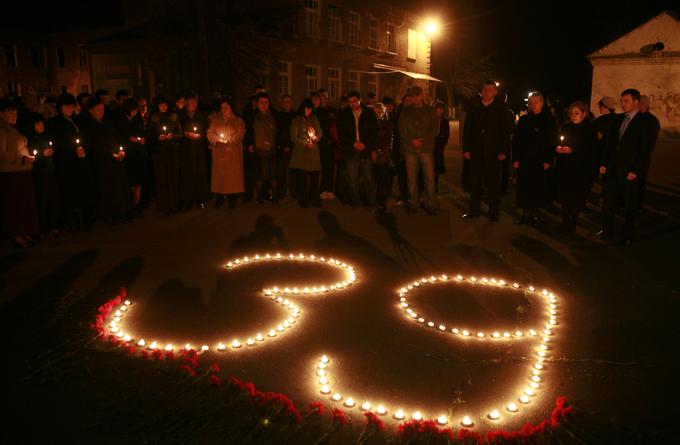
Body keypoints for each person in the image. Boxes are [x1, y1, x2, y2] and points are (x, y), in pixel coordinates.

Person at [595, 89, 655, 245]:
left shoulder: (644, 122)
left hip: (630, 170)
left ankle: (627, 235)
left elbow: (645, 149)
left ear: (636, 102)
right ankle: (607, 231)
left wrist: (636, 170)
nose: (623, 103)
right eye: (622, 100)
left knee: (629, 205)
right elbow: (609, 143)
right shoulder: (618, 119)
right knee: (609, 201)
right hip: (613, 168)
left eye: (626, 100)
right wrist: (603, 162)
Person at [461, 80, 514, 221]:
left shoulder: (501, 109)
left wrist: (504, 151)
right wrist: (466, 148)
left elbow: (505, 132)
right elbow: (468, 129)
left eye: (490, 89)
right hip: (476, 151)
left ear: (495, 92)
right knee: (475, 182)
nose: (487, 92)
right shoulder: (475, 107)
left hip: (494, 152)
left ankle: (494, 213)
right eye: (485, 89)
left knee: (492, 184)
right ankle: (474, 211)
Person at [47, 93, 95, 231]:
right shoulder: (54, 123)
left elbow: (85, 137)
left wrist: (84, 148)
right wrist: (73, 150)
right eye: (66, 107)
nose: (69, 109)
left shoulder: (77, 120)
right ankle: (73, 220)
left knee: (83, 190)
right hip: (67, 163)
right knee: (70, 192)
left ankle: (84, 218)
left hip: (81, 161)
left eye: (72, 106)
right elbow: (57, 142)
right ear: (60, 108)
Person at [81, 97, 132, 224]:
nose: (100, 112)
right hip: (101, 162)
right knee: (106, 190)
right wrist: (110, 154)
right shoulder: (88, 126)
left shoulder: (108, 123)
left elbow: (118, 138)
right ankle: (109, 214)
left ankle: (122, 212)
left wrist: (122, 151)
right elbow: (93, 145)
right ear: (91, 111)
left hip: (116, 160)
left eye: (102, 109)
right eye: (97, 110)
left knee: (119, 187)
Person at [512, 92, 555, 227]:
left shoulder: (549, 121)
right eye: (532, 102)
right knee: (525, 186)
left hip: (540, 160)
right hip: (525, 159)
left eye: (537, 102)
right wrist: (516, 158)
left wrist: (548, 159)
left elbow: (552, 141)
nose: (534, 104)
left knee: (538, 187)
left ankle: (535, 215)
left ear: (542, 103)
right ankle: (526, 213)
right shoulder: (524, 120)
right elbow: (517, 141)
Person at [0, 99, 39, 247]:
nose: (14, 114)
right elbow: (1, 154)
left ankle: (23, 231)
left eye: (15, 111)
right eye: (10, 111)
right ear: (1, 114)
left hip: (22, 172)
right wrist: (22, 159)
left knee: (23, 204)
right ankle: (15, 234)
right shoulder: (2, 131)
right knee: (14, 205)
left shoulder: (13, 129)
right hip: (11, 174)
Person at [554, 101, 598, 233]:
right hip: (566, 169)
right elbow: (559, 141)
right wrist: (559, 148)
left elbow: (591, 150)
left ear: (584, 114)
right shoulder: (567, 127)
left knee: (575, 199)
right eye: (572, 113)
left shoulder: (589, 130)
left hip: (581, 171)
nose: (573, 116)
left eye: (577, 113)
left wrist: (573, 150)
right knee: (565, 199)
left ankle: (572, 224)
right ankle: (564, 222)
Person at [398, 86, 440, 214]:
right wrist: (412, 140)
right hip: (410, 149)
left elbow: (435, 130)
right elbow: (401, 129)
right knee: (411, 179)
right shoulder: (406, 111)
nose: (415, 99)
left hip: (426, 149)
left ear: (422, 95)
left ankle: (431, 204)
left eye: (417, 96)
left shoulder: (430, 111)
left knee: (429, 179)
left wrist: (422, 140)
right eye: (413, 96)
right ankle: (413, 203)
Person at [338, 91, 379, 213]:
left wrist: (366, 145)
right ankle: (357, 204)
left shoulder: (369, 114)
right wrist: (353, 143)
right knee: (352, 180)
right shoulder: (344, 115)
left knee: (369, 179)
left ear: (360, 100)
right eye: (350, 102)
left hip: (365, 150)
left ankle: (372, 204)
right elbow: (342, 133)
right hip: (351, 151)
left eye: (354, 101)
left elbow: (374, 132)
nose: (352, 104)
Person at [207, 97, 246, 209]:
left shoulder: (238, 120)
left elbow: (240, 133)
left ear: (231, 107)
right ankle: (219, 196)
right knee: (219, 176)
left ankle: (232, 197)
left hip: (232, 153)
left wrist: (230, 141)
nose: (224, 109)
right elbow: (210, 133)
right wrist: (216, 141)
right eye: (222, 107)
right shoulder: (216, 120)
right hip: (219, 153)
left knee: (233, 177)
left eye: (226, 107)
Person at [24, 113, 60, 236]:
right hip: (40, 173)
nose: (41, 125)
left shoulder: (45, 136)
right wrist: (41, 155)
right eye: (38, 123)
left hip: (50, 171)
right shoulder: (31, 139)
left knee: (52, 198)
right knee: (42, 199)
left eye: (42, 123)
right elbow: (32, 155)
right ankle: (43, 228)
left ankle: (53, 225)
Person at [149, 96, 182, 214]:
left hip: (172, 152)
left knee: (173, 179)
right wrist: (158, 138)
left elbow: (180, 134)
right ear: (157, 106)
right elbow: (149, 136)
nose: (164, 107)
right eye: (161, 105)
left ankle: (173, 205)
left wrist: (173, 136)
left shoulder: (173, 118)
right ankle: (163, 207)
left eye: (165, 105)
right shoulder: (153, 119)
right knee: (162, 180)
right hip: (159, 154)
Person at [114, 97, 146, 217]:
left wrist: (141, 139)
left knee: (138, 181)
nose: (135, 112)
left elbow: (140, 132)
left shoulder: (137, 119)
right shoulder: (121, 120)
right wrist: (134, 139)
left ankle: (137, 205)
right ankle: (129, 206)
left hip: (138, 154)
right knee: (130, 182)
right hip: (128, 155)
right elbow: (124, 136)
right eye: (133, 110)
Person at [178, 92, 210, 209]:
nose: (193, 104)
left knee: (200, 173)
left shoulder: (202, 115)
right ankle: (188, 199)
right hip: (186, 148)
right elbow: (177, 129)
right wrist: (185, 134)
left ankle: (200, 198)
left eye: (195, 101)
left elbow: (206, 130)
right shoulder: (180, 115)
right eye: (190, 101)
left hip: (199, 148)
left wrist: (200, 135)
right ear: (186, 102)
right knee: (187, 174)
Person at [289, 98, 323, 208]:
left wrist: (316, 138)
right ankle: (304, 200)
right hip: (302, 153)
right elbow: (294, 137)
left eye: (310, 109)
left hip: (313, 153)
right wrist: (305, 143)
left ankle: (315, 199)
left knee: (314, 178)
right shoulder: (296, 120)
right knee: (302, 179)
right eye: (307, 109)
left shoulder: (314, 118)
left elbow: (319, 131)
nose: (308, 111)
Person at [251, 92, 278, 204]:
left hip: (271, 150)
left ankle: (275, 197)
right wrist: (251, 144)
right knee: (259, 175)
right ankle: (260, 197)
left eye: (266, 102)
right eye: (261, 102)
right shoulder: (253, 116)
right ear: (257, 104)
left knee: (272, 174)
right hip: (259, 150)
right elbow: (250, 132)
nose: (263, 105)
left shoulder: (274, 115)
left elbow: (278, 132)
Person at [637, 95, 661, 211]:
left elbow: (651, 140)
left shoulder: (652, 121)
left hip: (643, 155)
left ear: (646, 105)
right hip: (633, 154)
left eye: (641, 104)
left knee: (640, 180)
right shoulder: (635, 118)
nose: (638, 106)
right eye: (638, 104)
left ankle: (638, 205)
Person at [372, 102, 394, 211]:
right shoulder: (371, 123)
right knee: (372, 178)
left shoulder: (387, 124)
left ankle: (382, 201)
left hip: (382, 155)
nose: (379, 112)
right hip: (371, 154)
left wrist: (379, 151)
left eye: (381, 110)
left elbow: (388, 140)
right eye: (377, 109)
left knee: (382, 179)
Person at [315, 91, 335, 200]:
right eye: (322, 97)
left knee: (330, 167)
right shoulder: (317, 112)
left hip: (331, 144)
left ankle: (329, 189)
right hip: (321, 144)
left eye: (326, 97)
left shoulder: (331, 111)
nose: (324, 99)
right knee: (322, 168)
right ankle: (322, 189)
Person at [276, 94, 296, 199]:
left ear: (291, 103)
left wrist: (290, 144)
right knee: (281, 171)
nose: (286, 104)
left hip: (292, 147)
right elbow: (277, 132)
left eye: (288, 102)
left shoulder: (295, 116)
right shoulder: (278, 116)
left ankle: (292, 191)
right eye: (284, 102)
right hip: (281, 147)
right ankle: (282, 191)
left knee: (292, 171)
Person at [433, 102, 449, 194]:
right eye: (438, 109)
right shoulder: (431, 119)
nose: (439, 111)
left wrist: (443, 144)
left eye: (441, 109)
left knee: (437, 168)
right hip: (431, 147)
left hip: (439, 148)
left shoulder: (445, 121)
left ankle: (435, 186)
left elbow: (446, 134)